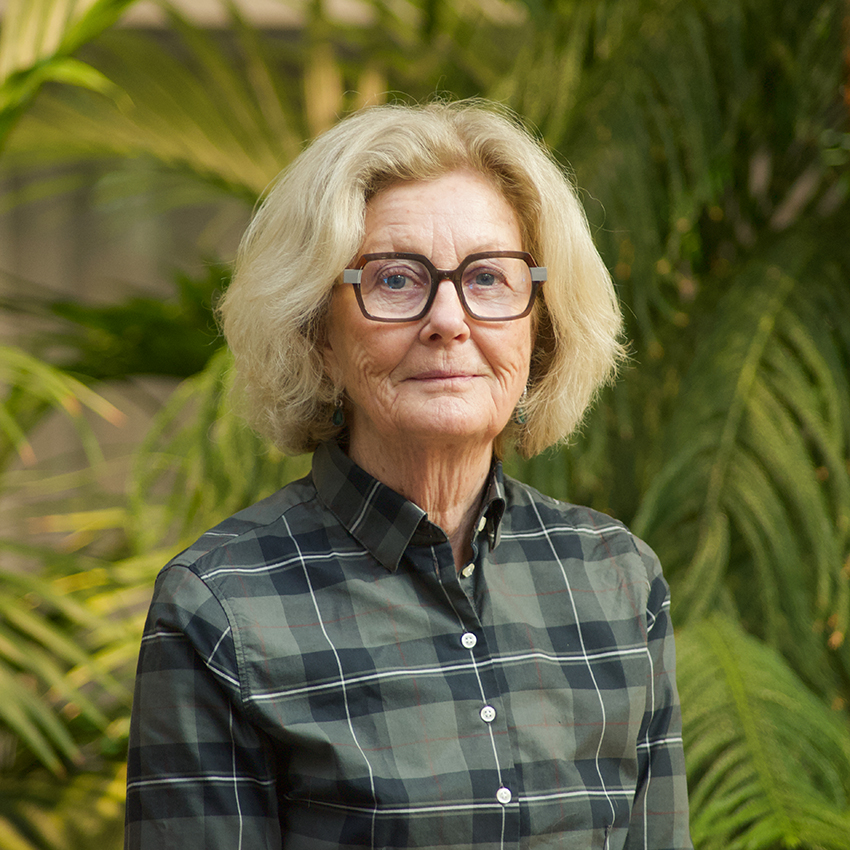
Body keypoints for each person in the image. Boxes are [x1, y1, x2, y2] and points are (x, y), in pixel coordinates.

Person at [125, 99, 692, 850]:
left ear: (541, 326)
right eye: (395, 279)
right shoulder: (221, 608)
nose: (449, 320)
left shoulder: (616, 579)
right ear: (318, 335)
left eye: (488, 278)